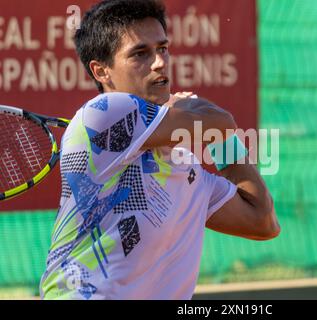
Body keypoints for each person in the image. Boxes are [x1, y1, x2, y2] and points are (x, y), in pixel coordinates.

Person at [39, 0, 280, 300]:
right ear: (101, 72)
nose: (159, 62)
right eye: (140, 54)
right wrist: (189, 112)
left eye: (162, 48)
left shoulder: (186, 168)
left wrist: (220, 138)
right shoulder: (103, 113)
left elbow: (263, 221)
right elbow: (219, 120)